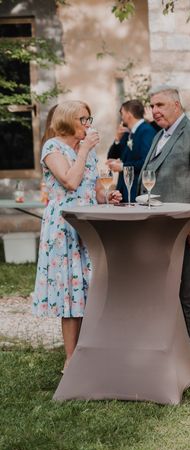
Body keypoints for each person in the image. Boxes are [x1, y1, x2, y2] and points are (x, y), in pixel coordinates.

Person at [32, 100, 122, 372]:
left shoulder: (88, 152)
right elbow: (69, 182)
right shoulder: (52, 148)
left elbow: (92, 191)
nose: (88, 124)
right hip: (64, 228)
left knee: (90, 289)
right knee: (71, 295)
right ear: (69, 120)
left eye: (89, 118)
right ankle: (71, 360)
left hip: (89, 226)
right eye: (84, 119)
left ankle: (91, 350)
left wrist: (108, 197)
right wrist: (83, 150)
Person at [138, 85, 190, 368]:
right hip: (159, 230)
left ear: (176, 105)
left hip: (187, 229)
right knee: (165, 290)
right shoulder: (160, 135)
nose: (155, 110)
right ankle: (171, 346)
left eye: (160, 104)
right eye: (152, 105)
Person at [106, 99, 156, 203]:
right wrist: (117, 139)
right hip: (124, 189)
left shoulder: (146, 131)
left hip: (136, 190)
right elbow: (112, 156)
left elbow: (146, 162)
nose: (122, 117)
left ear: (129, 114)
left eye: (122, 114)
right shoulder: (129, 132)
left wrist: (122, 166)